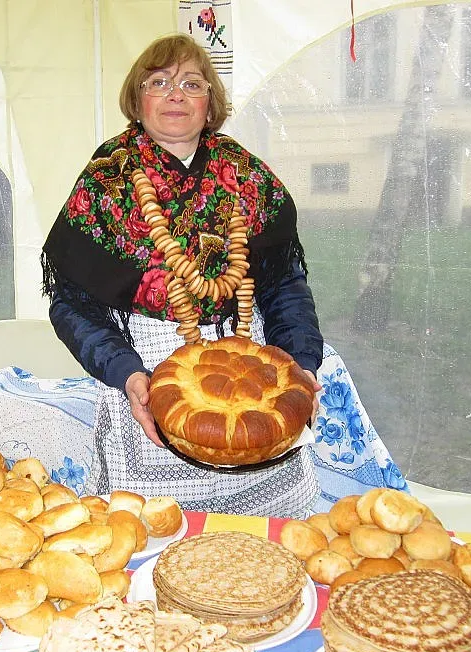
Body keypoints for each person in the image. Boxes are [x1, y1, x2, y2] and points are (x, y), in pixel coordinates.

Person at [41, 34, 324, 518]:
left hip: (252, 370)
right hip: (149, 376)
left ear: (210, 103)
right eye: (160, 81)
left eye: (192, 83)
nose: (176, 93)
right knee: (156, 532)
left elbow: (284, 286)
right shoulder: (106, 181)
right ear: (137, 99)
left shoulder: (247, 176)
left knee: (269, 542)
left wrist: (301, 365)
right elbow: (72, 305)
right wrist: (126, 374)